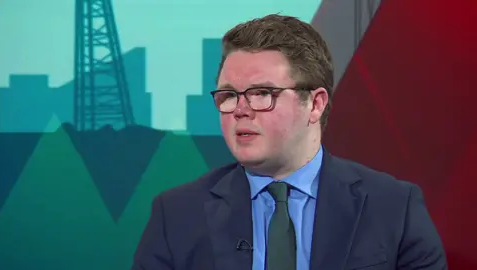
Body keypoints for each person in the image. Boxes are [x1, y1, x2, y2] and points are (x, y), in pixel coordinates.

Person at [131, 14, 447, 270]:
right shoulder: (176, 215)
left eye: (261, 94)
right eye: (229, 95)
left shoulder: (394, 209)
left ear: (315, 104)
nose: (240, 110)